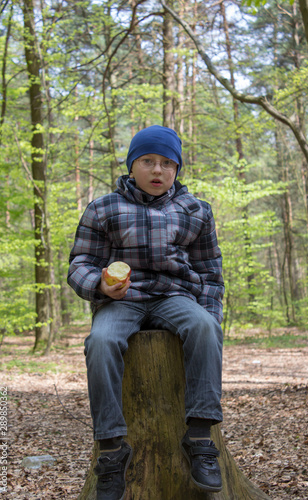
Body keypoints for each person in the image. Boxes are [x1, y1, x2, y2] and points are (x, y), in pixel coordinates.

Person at [67, 125, 224, 500]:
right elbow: (80, 263)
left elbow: (209, 272)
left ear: (177, 169)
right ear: (131, 165)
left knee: (204, 327)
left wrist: (212, 316)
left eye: (168, 163)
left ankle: (200, 436)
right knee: (101, 342)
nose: (158, 170)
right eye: (148, 161)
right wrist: (100, 286)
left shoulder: (196, 211)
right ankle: (111, 449)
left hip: (175, 295)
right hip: (122, 299)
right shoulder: (103, 208)